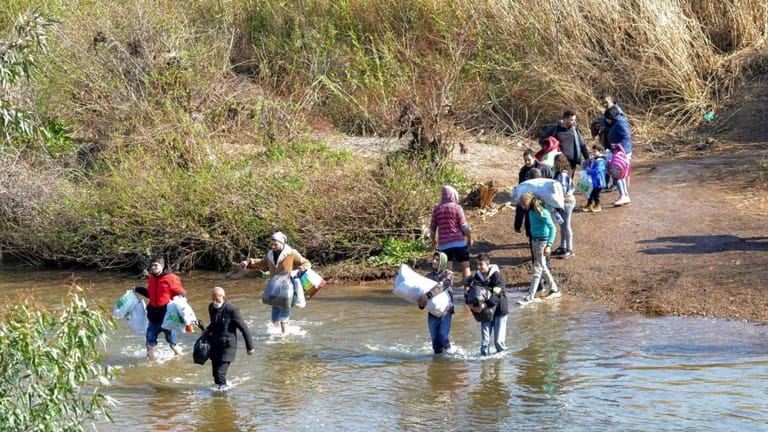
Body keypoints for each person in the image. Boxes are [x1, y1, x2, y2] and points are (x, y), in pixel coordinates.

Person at [239, 231, 312, 334]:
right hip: (274, 286)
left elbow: (306, 263)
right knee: (274, 318)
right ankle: (277, 334)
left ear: (282, 243)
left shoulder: (291, 253)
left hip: (288, 287)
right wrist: (248, 262)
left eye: (275, 244)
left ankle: (284, 337)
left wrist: (298, 270)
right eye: (272, 244)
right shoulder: (270, 255)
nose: (273, 246)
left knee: (283, 315)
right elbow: (262, 263)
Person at [134, 256, 187, 360]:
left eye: (156, 265)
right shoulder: (152, 278)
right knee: (149, 345)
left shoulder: (171, 278)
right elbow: (151, 295)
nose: (153, 267)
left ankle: (179, 362)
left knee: (173, 345)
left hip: (168, 319)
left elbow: (182, 293)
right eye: (152, 265)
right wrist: (138, 289)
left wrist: (180, 300)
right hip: (153, 319)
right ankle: (152, 367)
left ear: (162, 266)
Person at [206, 286, 254, 389]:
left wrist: (250, 347)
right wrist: (207, 330)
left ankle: (222, 397)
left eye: (217, 299)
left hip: (227, 346)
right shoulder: (211, 307)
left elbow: (243, 328)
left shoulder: (231, 309)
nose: (214, 301)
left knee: (220, 374)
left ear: (223, 297)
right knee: (215, 375)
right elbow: (213, 323)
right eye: (213, 299)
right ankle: (220, 390)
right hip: (215, 344)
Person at [517, 192, 561, 305]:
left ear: (528, 203)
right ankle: (554, 289)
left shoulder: (542, 212)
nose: (522, 207)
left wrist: (549, 245)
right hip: (534, 240)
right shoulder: (531, 211)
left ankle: (530, 296)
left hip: (542, 242)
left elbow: (553, 228)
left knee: (537, 268)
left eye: (523, 205)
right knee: (542, 266)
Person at [467, 253, 508, 356]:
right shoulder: (477, 277)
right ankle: (484, 367)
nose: (479, 267)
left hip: (499, 311)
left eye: (481, 264)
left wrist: (485, 305)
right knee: (485, 344)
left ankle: (500, 365)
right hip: (485, 313)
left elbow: (498, 296)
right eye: (477, 265)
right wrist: (471, 305)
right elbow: (472, 294)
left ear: (487, 264)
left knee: (498, 342)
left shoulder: (496, 276)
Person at [430, 185, 474, 280]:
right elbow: (464, 227)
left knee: (447, 270)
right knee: (465, 266)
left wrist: (433, 241)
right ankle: (468, 291)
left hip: (444, 245)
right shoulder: (457, 208)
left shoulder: (437, 209)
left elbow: (432, 229)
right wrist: (470, 238)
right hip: (459, 243)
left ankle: (448, 291)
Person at [417, 251, 454, 354]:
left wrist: (428, 296)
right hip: (432, 313)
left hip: (446, 312)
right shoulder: (428, 277)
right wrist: (421, 304)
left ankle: (449, 351)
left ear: (443, 262)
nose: (434, 261)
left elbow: (442, 286)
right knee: (435, 343)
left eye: (437, 260)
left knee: (442, 336)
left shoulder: (448, 274)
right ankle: (438, 364)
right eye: (433, 259)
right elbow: (420, 295)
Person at [540, 110, 590, 176]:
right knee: (558, 182)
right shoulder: (555, 129)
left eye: (575, 120)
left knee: (568, 183)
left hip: (572, 163)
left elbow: (582, 145)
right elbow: (542, 140)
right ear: (565, 119)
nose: (574, 122)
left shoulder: (575, 131)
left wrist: (587, 158)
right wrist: (549, 146)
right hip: (558, 162)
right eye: (572, 120)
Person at [604, 105, 633, 206]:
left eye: (607, 119)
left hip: (621, 152)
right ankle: (625, 195)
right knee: (620, 175)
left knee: (617, 174)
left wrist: (617, 145)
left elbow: (626, 136)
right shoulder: (618, 121)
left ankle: (623, 196)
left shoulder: (620, 122)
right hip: (619, 151)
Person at [552, 153, 576, 258]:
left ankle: (570, 250)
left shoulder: (562, 175)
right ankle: (563, 246)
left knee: (566, 226)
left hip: (566, 202)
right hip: (563, 202)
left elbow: (562, 191)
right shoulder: (561, 174)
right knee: (562, 225)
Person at [582, 144, 608, 213]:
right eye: (592, 152)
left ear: (600, 151)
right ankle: (589, 204)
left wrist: (589, 171)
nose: (593, 153)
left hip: (598, 181)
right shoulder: (593, 159)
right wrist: (588, 164)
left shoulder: (601, 161)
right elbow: (586, 164)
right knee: (589, 193)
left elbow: (598, 170)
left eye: (595, 151)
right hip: (593, 181)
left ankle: (597, 205)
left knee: (596, 194)